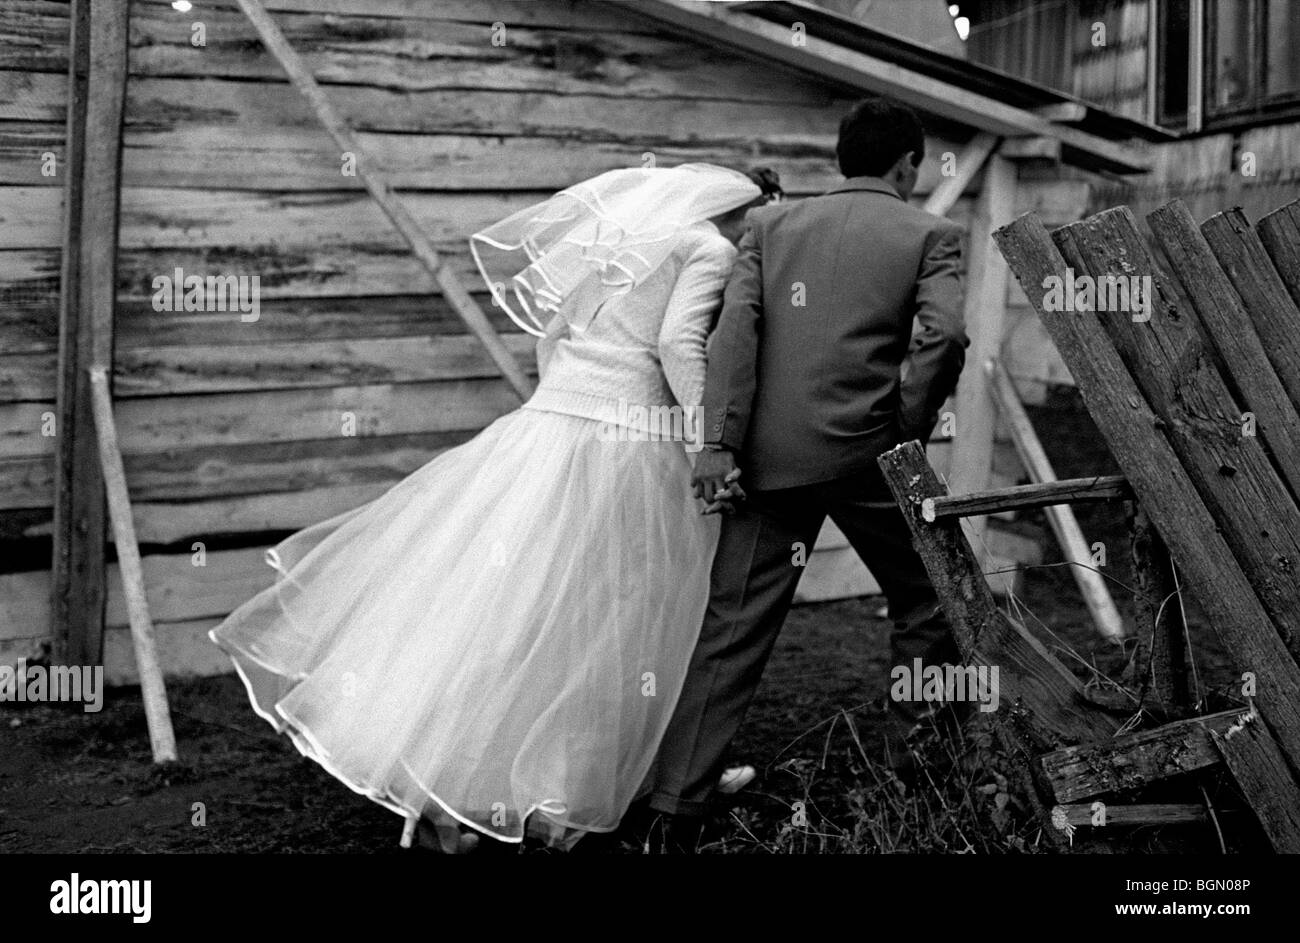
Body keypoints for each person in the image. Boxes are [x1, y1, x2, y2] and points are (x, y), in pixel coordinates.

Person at [208, 163, 780, 853]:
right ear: (737, 209)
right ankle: (581, 788)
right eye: (760, 216)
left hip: (546, 430)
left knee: (510, 608)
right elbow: (675, 343)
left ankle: (453, 788)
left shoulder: (621, 237)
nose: (760, 233)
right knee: (626, 619)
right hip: (630, 444)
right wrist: (704, 439)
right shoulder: (708, 250)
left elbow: (551, 336)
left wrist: (559, 400)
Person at [647, 98, 970, 851]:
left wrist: (722, 444)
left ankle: (673, 811)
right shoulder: (930, 234)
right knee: (928, 597)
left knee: (730, 628)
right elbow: (945, 333)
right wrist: (904, 426)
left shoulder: (771, 227)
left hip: (770, 463)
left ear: (841, 159)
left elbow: (734, 339)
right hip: (872, 461)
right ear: (908, 165)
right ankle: (913, 777)